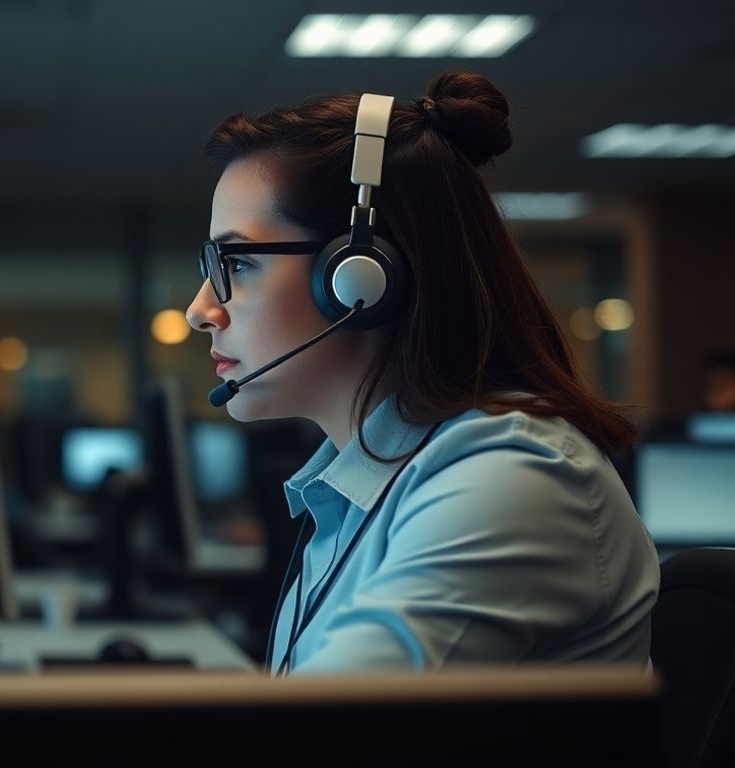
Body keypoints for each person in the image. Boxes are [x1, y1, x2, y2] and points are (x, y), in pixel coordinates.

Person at [185, 72, 659, 675]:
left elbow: (320, 735)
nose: (200, 310)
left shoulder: (512, 477)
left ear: (359, 276)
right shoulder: (355, 490)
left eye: (239, 262)